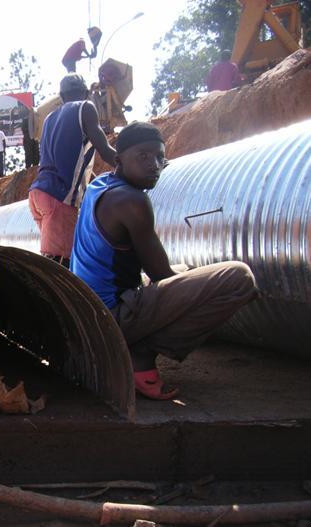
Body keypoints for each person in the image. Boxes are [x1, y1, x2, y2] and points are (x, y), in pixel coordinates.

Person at [71, 121, 258, 400]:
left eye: (160, 157)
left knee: (189, 271)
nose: (154, 165)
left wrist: (192, 279)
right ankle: (141, 354)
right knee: (239, 278)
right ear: (119, 160)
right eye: (143, 156)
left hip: (88, 313)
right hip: (109, 321)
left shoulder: (101, 185)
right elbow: (162, 275)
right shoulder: (131, 201)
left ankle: (135, 346)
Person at [29, 73, 117, 267]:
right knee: (63, 268)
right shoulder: (86, 108)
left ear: (61, 96)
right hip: (59, 197)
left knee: (57, 259)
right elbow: (105, 150)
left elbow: (65, 159)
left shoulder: (50, 118)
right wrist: (129, 167)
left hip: (39, 194)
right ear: (86, 92)